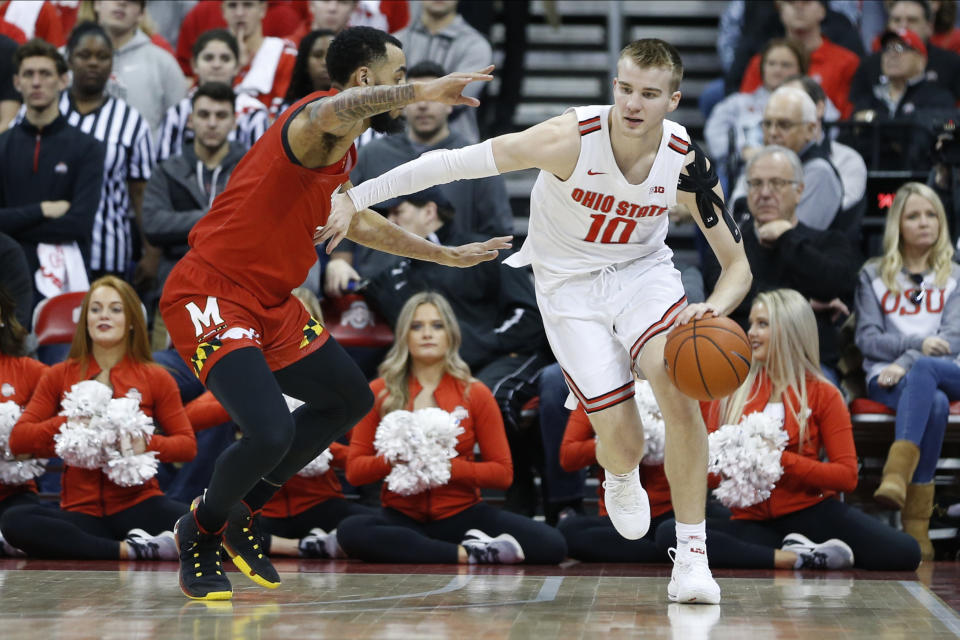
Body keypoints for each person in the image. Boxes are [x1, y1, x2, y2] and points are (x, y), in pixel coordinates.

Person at [324, 37, 753, 605]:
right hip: (568, 288)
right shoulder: (568, 139)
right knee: (622, 442)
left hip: (642, 275)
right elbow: (450, 164)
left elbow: (737, 265)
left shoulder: (685, 161)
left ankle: (693, 559)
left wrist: (715, 308)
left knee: (677, 386)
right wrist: (355, 196)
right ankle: (619, 474)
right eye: (624, 88)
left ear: (671, 101)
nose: (632, 103)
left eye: (649, 94)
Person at [157, 25, 505, 601]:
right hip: (211, 292)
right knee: (268, 431)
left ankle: (243, 507)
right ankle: (201, 527)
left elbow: (362, 221)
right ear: (368, 80)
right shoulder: (318, 117)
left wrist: (444, 255)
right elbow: (346, 103)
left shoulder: (343, 151)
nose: (402, 87)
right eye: (396, 77)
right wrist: (424, 90)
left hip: (271, 302)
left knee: (349, 399)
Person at [654, 288, 922, 572]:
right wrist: (733, 461)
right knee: (669, 533)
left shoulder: (823, 393)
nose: (751, 333)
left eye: (763, 324)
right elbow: (705, 473)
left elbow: (847, 476)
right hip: (751, 520)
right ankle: (796, 558)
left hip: (812, 513)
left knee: (905, 552)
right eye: (752, 324)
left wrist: (779, 460)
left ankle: (790, 551)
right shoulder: (729, 392)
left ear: (790, 331)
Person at [337, 292, 567, 565]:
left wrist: (446, 466)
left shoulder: (475, 393)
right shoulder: (378, 392)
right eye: (416, 326)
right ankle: (467, 553)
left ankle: (428, 550)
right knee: (350, 532)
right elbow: (355, 470)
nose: (427, 334)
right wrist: (397, 459)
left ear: (451, 334)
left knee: (552, 544)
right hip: (401, 516)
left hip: (464, 514)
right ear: (404, 336)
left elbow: (502, 474)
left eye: (437, 325)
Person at [0, 276, 197, 560]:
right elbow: (19, 440)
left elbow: (187, 445)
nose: (104, 315)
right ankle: (131, 550)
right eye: (95, 309)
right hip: (81, 512)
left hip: (142, 503)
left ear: (131, 321)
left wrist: (145, 443)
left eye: (115, 309)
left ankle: (113, 547)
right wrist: (67, 426)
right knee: (15, 521)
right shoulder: (60, 374)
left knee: (209, 524)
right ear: (86, 321)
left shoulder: (156, 376)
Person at [854, 182, 960, 560]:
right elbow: (867, 339)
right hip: (886, 378)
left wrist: (907, 361)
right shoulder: (874, 275)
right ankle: (917, 527)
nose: (924, 223)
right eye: (913, 216)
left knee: (929, 371)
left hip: (946, 370)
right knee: (931, 402)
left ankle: (897, 475)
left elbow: (952, 340)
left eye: (931, 215)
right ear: (897, 224)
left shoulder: (954, 276)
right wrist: (914, 348)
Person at [704, 146, 859, 386]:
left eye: (776, 183)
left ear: (799, 191)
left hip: (809, 366)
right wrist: (804, 304)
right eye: (755, 184)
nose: (765, 193)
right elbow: (729, 298)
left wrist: (788, 238)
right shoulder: (728, 246)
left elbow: (834, 285)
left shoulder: (829, 242)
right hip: (743, 365)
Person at [184, 389, 372, 558]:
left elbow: (356, 458)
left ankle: (305, 545)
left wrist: (314, 446)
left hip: (322, 503)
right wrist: (244, 403)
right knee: (210, 532)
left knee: (367, 527)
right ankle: (301, 546)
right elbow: (188, 418)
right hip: (263, 511)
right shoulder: (242, 380)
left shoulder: (314, 377)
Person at [0, 38, 104, 308]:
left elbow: (78, 224)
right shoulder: (1, 146)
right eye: (28, 74)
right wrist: (43, 209)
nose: (36, 82)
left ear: (63, 81)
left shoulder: (88, 148)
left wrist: (14, 224)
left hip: (68, 278)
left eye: (45, 74)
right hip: (6, 275)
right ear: (16, 83)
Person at [144, 81, 247, 333]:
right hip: (176, 285)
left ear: (234, 121)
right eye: (204, 115)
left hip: (239, 287)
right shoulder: (167, 170)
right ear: (190, 120)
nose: (212, 123)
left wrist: (186, 225)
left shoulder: (250, 168)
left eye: (221, 115)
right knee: (169, 370)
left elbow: (259, 225)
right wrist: (217, 219)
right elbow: (153, 224)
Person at [62, 21, 155, 286]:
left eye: (103, 57)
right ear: (69, 58)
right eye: (84, 55)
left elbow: (140, 192)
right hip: (49, 250)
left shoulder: (131, 122)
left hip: (109, 251)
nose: (93, 63)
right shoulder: (47, 111)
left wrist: (151, 252)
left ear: (112, 63)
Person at [558, 401, 672, 563]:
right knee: (567, 530)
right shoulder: (598, 392)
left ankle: (661, 547)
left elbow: (709, 471)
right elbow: (568, 456)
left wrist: (666, 438)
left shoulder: (679, 387)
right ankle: (664, 552)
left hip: (668, 512)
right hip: (615, 516)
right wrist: (615, 441)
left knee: (668, 532)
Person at [729, 86, 844, 232]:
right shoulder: (759, 165)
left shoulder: (820, 172)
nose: (772, 132)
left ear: (810, 129)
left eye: (784, 125)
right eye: (767, 124)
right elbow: (734, 223)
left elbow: (789, 237)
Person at [705, 38, 807, 188]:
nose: (777, 70)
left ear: (800, 70)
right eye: (771, 64)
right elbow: (713, 135)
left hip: (795, 173)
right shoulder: (737, 103)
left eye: (785, 65)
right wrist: (742, 151)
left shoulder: (810, 103)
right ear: (762, 68)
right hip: (741, 172)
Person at [156, 28, 269, 162]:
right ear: (194, 65)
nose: (216, 65)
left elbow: (259, 169)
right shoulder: (177, 113)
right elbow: (163, 168)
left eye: (225, 58)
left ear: (237, 66)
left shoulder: (254, 114)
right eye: (208, 58)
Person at [733, 0, 862, 118]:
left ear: (823, 11)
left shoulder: (847, 62)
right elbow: (745, 110)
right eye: (790, 2)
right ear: (780, 10)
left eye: (806, 2)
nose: (798, 7)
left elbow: (847, 119)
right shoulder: (763, 62)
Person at [396, 0, 492, 143]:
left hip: (458, 149)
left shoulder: (476, 44)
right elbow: (387, 94)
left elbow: (457, 97)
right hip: (397, 146)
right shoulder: (396, 41)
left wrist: (406, 97)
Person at [0, 284, 46, 555]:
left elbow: (64, 427)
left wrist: (23, 442)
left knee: (20, 524)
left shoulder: (30, 370)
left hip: (14, 496)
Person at [96, 0, 187, 138]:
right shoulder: (69, 57)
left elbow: (180, 122)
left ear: (142, 13)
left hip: (145, 157)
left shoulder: (163, 63)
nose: (121, 3)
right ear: (97, 4)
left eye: (131, 1)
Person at [850, 0, 960, 104]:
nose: (903, 26)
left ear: (929, 27)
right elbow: (857, 114)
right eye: (896, 20)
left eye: (912, 20)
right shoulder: (870, 65)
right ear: (888, 25)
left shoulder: (951, 64)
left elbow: (952, 122)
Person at [220, 0, 298, 117]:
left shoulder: (284, 54)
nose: (239, 13)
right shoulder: (211, 56)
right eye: (232, 5)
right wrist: (235, 66)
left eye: (248, 5)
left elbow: (283, 113)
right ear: (223, 12)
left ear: (262, 10)